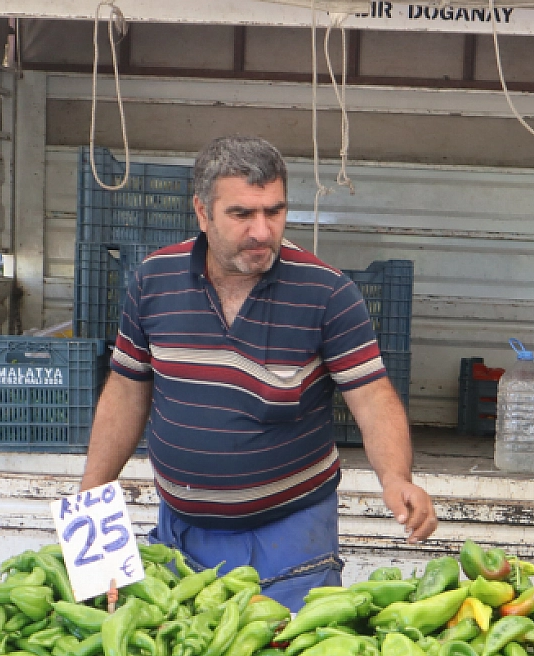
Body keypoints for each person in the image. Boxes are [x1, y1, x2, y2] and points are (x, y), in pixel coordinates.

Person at [78, 135, 437, 609]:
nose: (263, 231)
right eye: (242, 214)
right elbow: (126, 391)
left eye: (275, 211)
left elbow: (371, 396)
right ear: (202, 212)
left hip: (291, 539)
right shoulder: (153, 280)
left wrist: (396, 477)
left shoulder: (327, 291)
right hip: (181, 534)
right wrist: (90, 506)